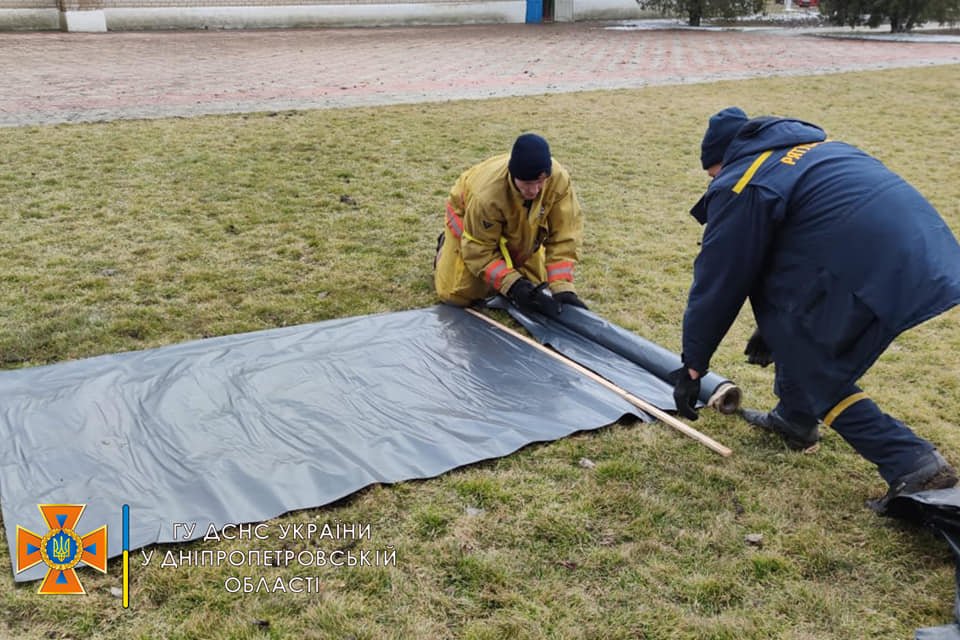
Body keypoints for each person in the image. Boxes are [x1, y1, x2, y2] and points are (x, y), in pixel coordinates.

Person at [671, 106, 960, 512]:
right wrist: (775, 325)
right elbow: (790, 250)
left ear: (723, 160)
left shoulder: (744, 182)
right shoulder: (809, 149)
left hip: (871, 265)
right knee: (796, 334)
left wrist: (693, 364)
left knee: (816, 371)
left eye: (711, 174)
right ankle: (794, 420)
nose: (713, 182)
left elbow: (719, 279)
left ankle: (913, 462)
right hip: (923, 246)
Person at [434, 133, 587, 314]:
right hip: (471, 225)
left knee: (537, 289)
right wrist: (513, 285)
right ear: (513, 176)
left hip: (517, 225)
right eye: (527, 183)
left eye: (540, 182)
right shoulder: (486, 196)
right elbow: (479, 249)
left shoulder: (558, 180)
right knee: (457, 295)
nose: (534, 191)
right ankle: (445, 247)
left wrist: (562, 287)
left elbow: (565, 235)